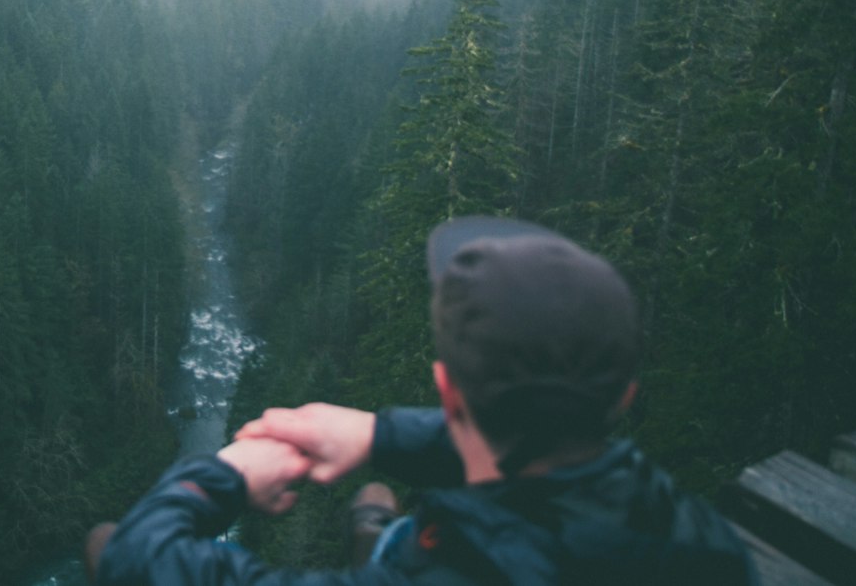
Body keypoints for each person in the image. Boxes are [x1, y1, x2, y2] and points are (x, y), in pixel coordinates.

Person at [90, 216, 753, 585]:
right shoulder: (700, 539)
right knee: (379, 511)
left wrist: (226, 471)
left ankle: (371, 532)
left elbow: (137, 560)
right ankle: (373, 530)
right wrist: (379, 436)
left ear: (447, 391)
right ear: (624, 397)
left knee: (101, 541)